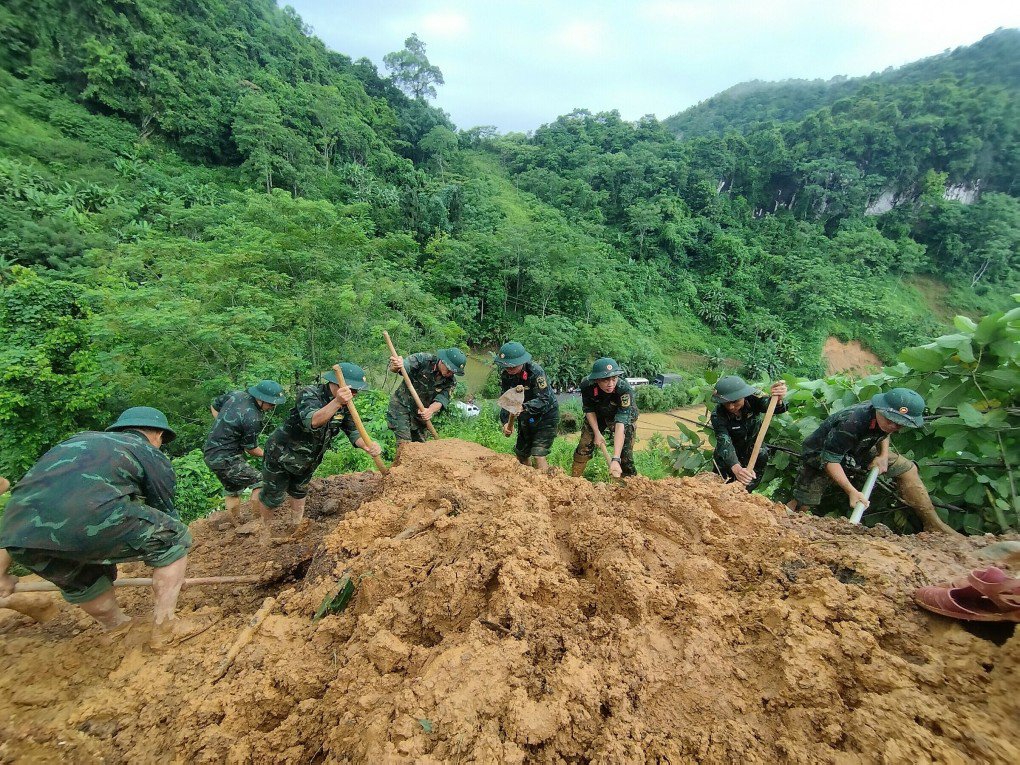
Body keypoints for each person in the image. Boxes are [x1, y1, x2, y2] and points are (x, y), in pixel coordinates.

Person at [0, 407, 212, 648]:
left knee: (84, 580)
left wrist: (1, 573)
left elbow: (32, 507)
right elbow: (165, 513)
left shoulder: (74, 441)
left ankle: (117, 626)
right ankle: (166, 628)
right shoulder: (147, 451)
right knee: (174, 538)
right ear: (158, 435)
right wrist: (169, 564)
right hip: (88, 515)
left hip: (17, 533)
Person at [786, 387, 956, 534]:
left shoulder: (886, 419)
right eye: (890, 421)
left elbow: (884, 433)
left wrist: (882, 456)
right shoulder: (852, 421)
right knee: (803, 505)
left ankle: (933, 524)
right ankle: (781, 525)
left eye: (900, 425)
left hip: (860, 447)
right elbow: (831, 459)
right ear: (880, 410)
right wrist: (852, 491)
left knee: (907, 468)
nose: (893, 427)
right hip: (822, 453)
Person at [250, 363, 381, 540]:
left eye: (357, 391)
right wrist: (337, 402)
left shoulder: (346, 405)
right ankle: (265, 533)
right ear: (336, 384)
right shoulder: (310, 394)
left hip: (309, 458)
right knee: (273, 496)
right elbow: (313, 421)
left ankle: (295, 528)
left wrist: (366, 444)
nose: (355, 394)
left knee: (299, 491)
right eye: (353, 390)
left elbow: (352, 430)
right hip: (281, 454)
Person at [203, 380, 287, 526]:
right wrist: (270, 455)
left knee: (232, 488)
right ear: (260, 399)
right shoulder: (253, 418)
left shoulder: (236, 395)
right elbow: (251, 449)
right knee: (260, 481)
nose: (272, 407)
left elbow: (214, 405)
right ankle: (257, 522)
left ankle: (236, 524)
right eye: (271, 404)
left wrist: (222, 424)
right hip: (226, 458)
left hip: (211, 453)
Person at [710, 375, 788, 491]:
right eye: (727, 403)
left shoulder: (754, 398)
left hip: (753, 452)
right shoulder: (718, 414)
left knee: (745, 489)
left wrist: (778, 399)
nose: (731, 407)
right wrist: (737, 469)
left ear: (743, 396)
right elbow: (724, 442)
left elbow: (773, 406)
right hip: (729, 456)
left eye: (735, 402)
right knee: (721, 487)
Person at [494, 342, 560, 470]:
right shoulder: (506, 375)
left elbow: (544, 399)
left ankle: (543, 485)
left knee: (538, 453)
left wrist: (523, 407)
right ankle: (528, 484)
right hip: (526, 417)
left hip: (546, 415)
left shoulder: (536, 372)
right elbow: (506, 400)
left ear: (522, 361)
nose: (509, 369)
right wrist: (505, 424)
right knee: (521, 453)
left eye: (512, 365)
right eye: (505, 365)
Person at [572, 358, 639, 479]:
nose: (611, 384)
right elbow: (589, 409)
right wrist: (597, 433)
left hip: (622, 418)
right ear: (597, 379)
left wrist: (615, 458)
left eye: (614, 379)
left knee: (625, 456)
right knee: (583, 446)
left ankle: (629, 485)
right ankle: (574, 480)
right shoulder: (587, 385)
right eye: (605, 380)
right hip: (598, 414)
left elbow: (620, 425)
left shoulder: (624, 390)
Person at [386, 347, 466, 446]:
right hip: (401, 407)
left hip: (420, 416)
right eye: (449, 370)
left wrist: (430, 410)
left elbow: (442, 400)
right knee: (405, 446)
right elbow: (402, 367)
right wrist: (397, 365)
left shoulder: (450, 382)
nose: (450, 374)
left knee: (421, 448)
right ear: (442, 361)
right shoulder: (423, 359)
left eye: (453, 372)